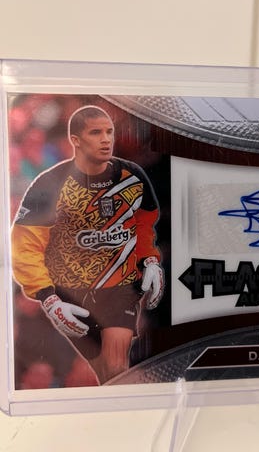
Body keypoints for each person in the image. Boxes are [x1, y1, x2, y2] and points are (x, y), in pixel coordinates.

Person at [11, 105, 165, 385]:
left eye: (109, 132)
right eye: (96, 133)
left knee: (116, 365)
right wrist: (49, 297)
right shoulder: (50, 184)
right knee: (106, 374)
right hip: (70, 290)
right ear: (76, 140)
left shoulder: (132, 176)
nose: (106, 140)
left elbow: (143, 223)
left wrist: (150, 260)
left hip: (120, 286)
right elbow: (25, 245)